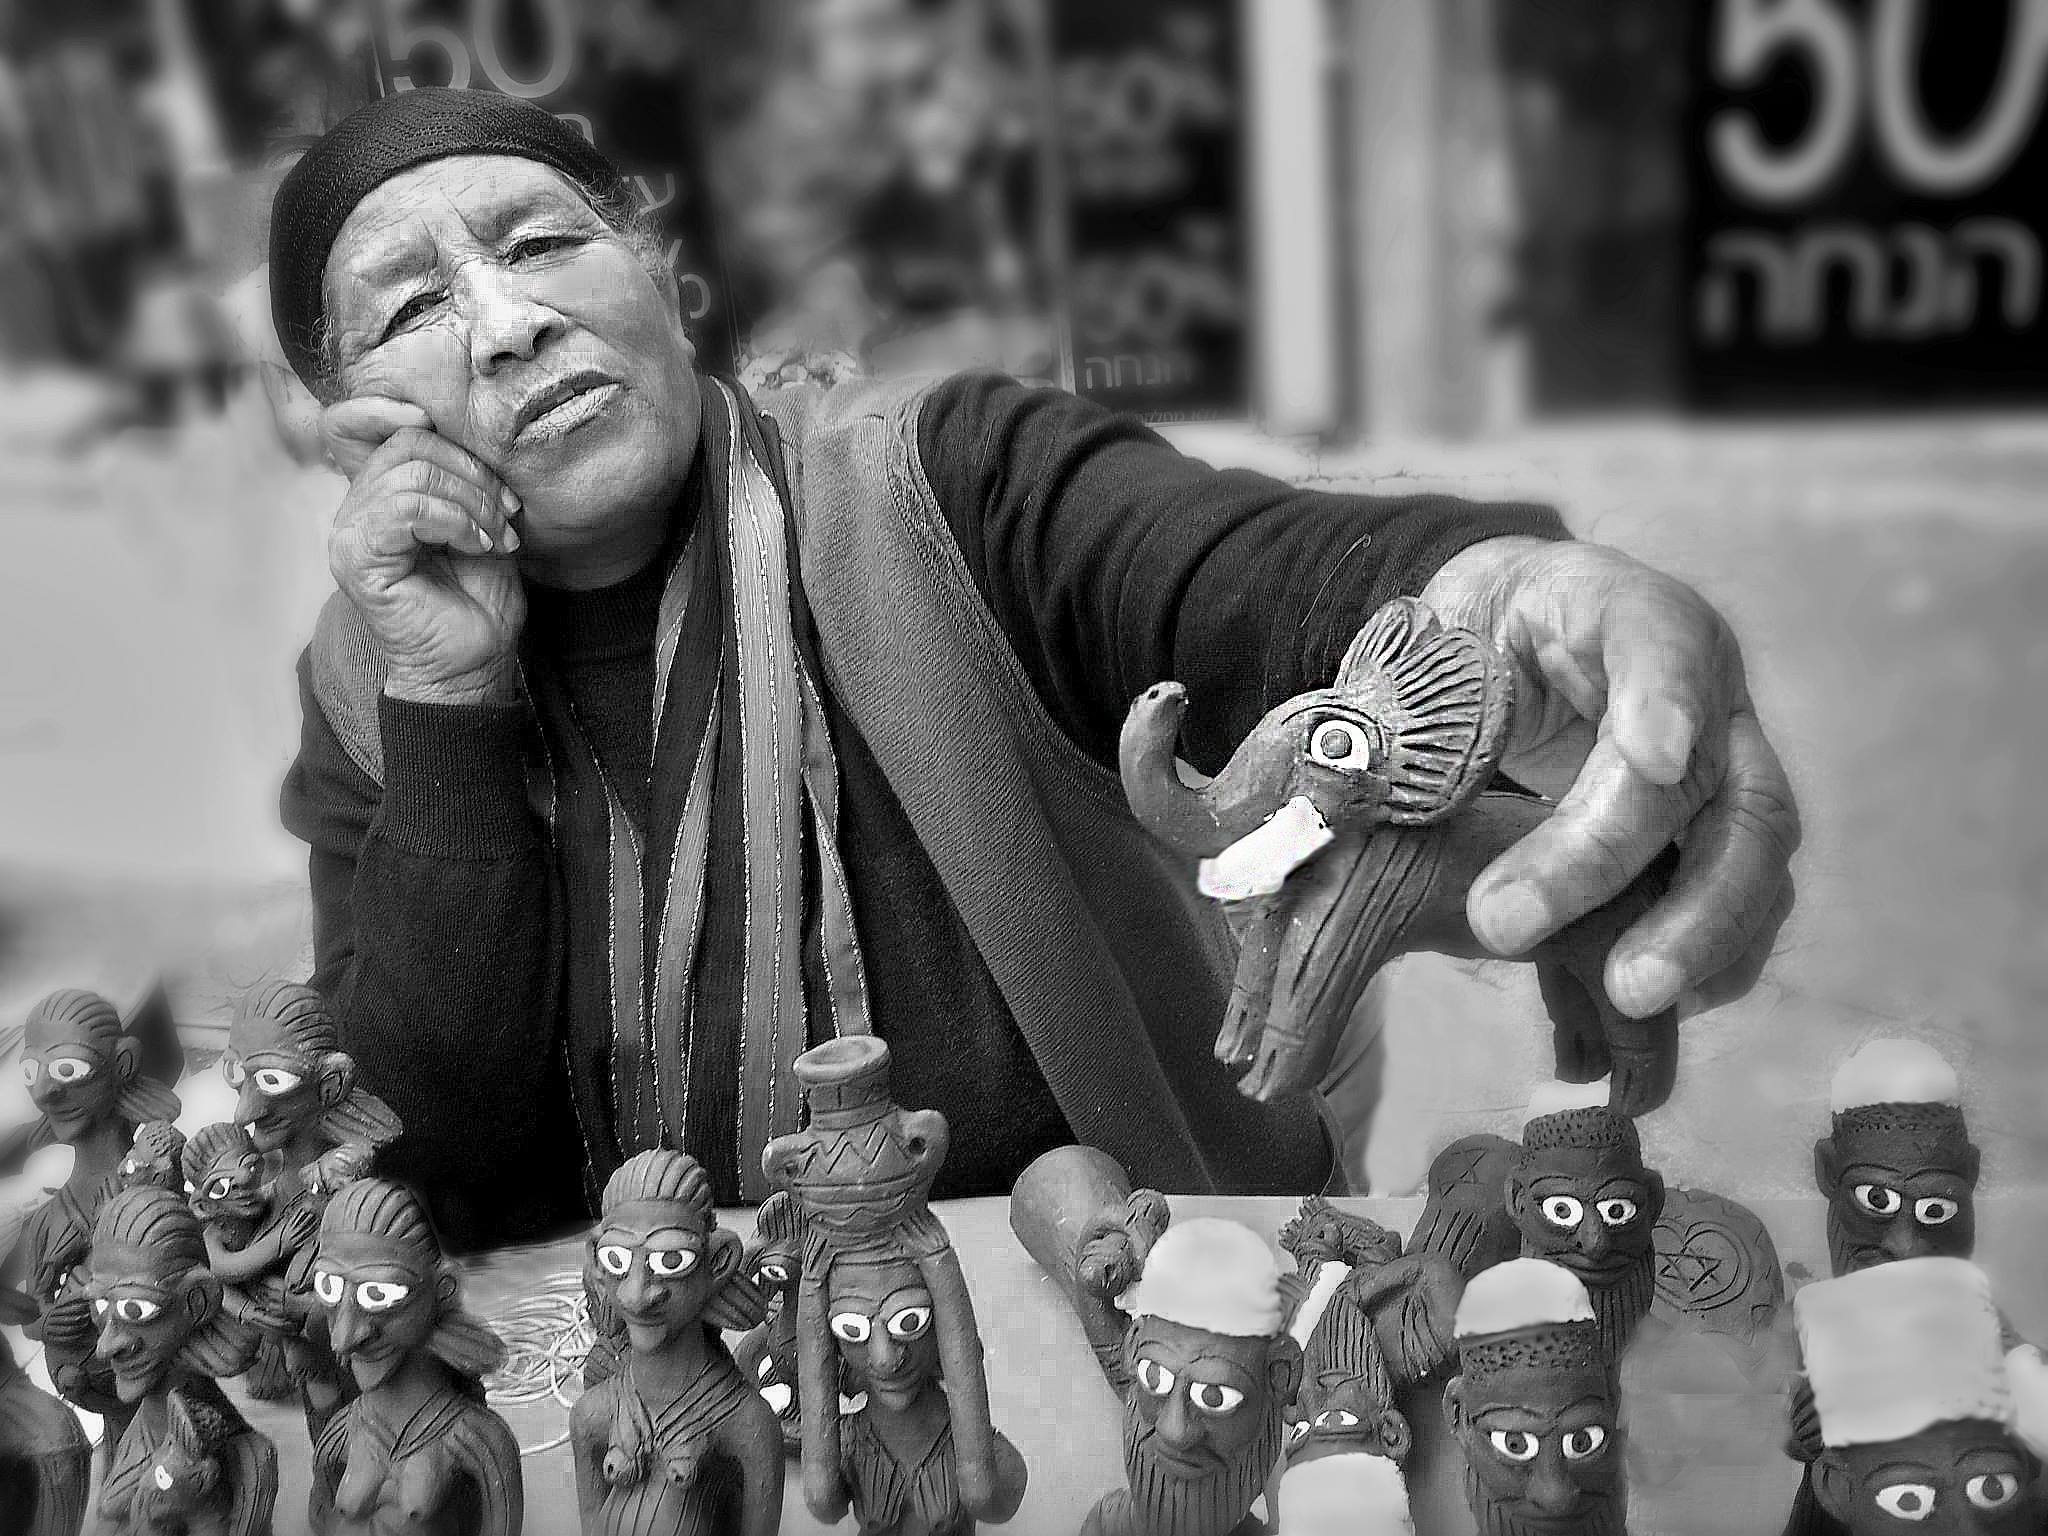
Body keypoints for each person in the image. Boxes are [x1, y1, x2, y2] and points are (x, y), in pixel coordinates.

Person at [270, 89, 1799, 1248]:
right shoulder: (374, 681)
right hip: (650, 1366)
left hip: (1122, 1329)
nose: (510, 324)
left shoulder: (940, 485)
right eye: (412, 308)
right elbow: (427, 1167)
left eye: (544, 245)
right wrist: (450, 704)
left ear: (660, 281)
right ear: (346, 422)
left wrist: (1500, 597)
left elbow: (1231, 568)